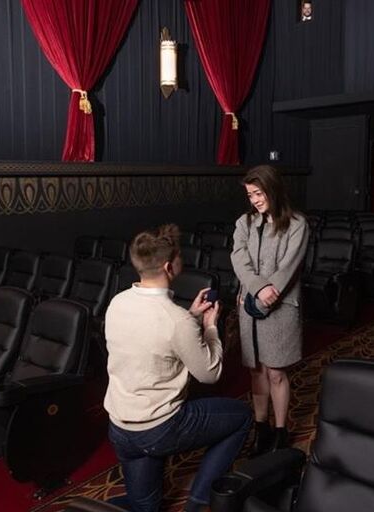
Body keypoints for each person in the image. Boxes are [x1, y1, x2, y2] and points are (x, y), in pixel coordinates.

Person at [104, 224, 252, 512]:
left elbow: (152, 337)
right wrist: (209, 327)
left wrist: (191, 316)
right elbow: (210, 374)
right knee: (241, 417)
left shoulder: (117, 302)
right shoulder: (176, 321)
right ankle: (197, 503)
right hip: (160, 429)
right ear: (170, 266)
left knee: (147, 508)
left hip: (120, 429)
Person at [231, 165, 309, 455]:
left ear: (272, 189)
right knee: (256, 372)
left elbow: (289, 265)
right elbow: (239, 260)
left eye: (258, 193)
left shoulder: (297, 223)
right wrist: (257, 289)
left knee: (276, 372)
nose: (254, 200)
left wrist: (269, 292)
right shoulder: (245, 223)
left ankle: (280, 430)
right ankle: (261, 428)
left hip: (281, 308)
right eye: (250, 195)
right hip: (249, 306)